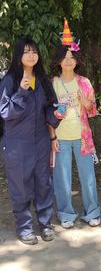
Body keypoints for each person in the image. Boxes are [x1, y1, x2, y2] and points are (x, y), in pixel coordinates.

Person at [0, 37, 60, 245]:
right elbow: (5, 113)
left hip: (40, 141)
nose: (31, 55)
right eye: (26, 51)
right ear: (18, 56)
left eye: (34, 51)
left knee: (43, 182)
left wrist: (57, 115)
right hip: (17, 143)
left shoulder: (43, 80)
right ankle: (24, 227)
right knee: (21, 185)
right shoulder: (9, 80)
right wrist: (22, 92)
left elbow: (50, 108)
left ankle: (45, 224)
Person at [50, 44, 101, 229]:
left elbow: (93, 110)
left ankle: (93, 212)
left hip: (83, 137)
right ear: (59, 61)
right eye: (65, 57)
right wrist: (52, 137)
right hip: (60, 137)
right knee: (62, 178)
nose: (69, 60)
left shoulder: (84, 82)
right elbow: (46, 112)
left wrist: (86, 102)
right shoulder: (52, 83)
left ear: (76, 60)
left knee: (88, 177)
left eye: (72, 57)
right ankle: (66, 214)